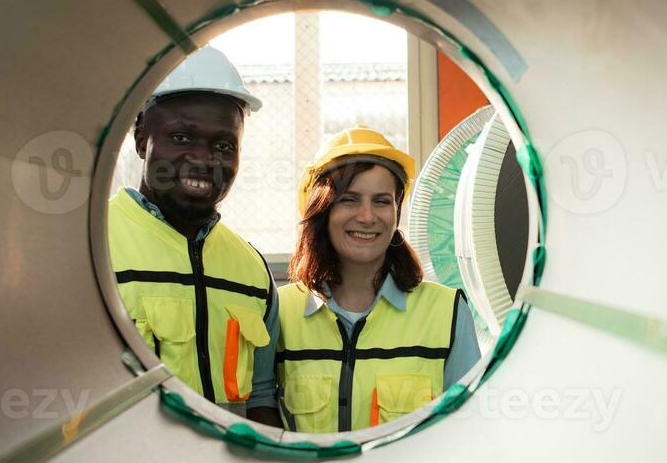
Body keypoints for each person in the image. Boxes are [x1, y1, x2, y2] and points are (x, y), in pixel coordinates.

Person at [108, 47, 282, 427]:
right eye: (183, 138)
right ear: (141, 138)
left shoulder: (251, 270)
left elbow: (261, 396)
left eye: (223, 145)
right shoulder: (93, 249)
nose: (204, 159)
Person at [275, 128, 481, 432]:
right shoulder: (280, 311)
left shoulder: (447, 312)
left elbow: (469, 430)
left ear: (397, 212)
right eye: (349, 200)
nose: (367, 216)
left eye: (382, 201)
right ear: (322, 210)